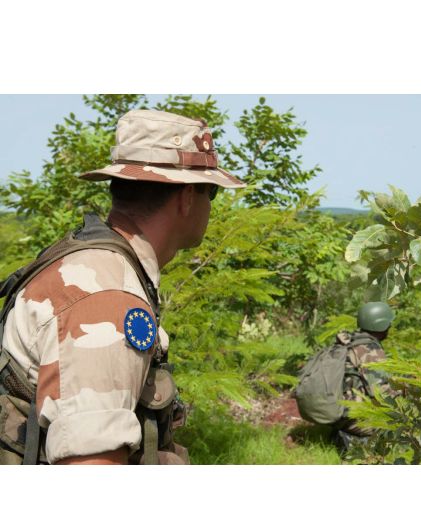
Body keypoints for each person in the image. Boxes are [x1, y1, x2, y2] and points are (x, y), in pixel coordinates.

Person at [0, 109, 245, 465]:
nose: (210, 206)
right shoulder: (106, 297)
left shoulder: (97, 265)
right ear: (187, 197)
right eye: (212, 193)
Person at [332, 301, 396, 450]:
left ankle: (343, 432)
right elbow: (382, 395)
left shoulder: (349, 341)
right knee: (397, 423)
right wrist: (405, 390)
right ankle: (357, 440)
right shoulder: (370, 350)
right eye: (388, 323)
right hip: (350, 416)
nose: (390, 327)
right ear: (380, 325)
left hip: (333, 410)